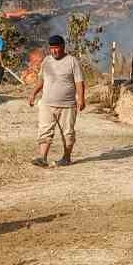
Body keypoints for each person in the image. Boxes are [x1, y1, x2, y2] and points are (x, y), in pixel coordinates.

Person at [26, 34, 85, 168]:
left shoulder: (72, 61)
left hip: (67, 105)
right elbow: (42, 79)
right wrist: (33, 94)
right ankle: (42, 158)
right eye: (52, 48)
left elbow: (79, 82)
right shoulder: (46, 61)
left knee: (68, 133)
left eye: (57, 48)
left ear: (63, 47)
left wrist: (81, 99)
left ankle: (66, 158)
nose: (54, 51)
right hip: (47, 103)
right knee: (44, 130)